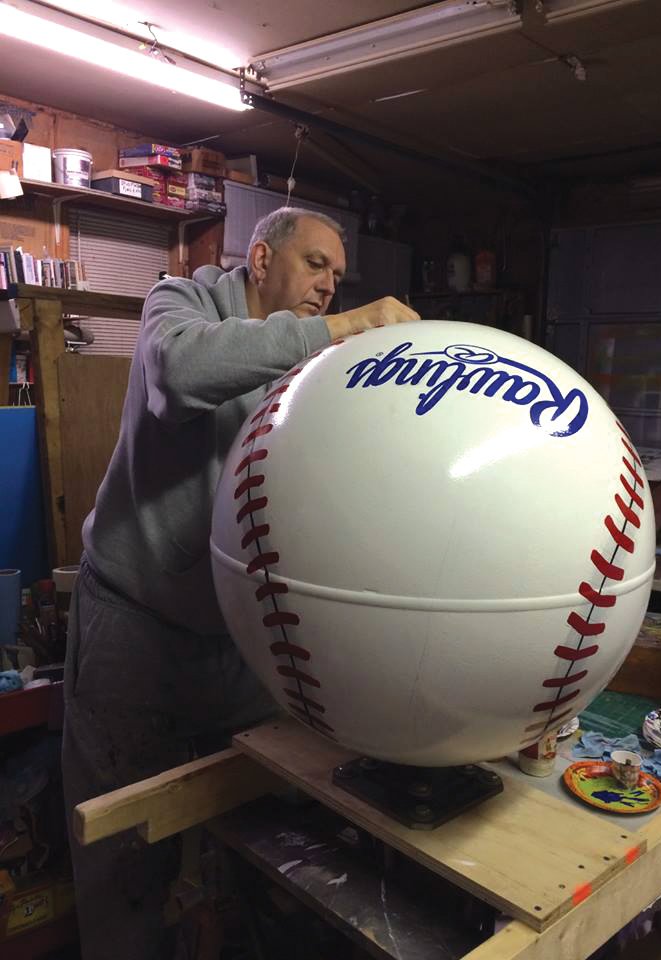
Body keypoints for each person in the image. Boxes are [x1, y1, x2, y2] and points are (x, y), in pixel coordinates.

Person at [62, 206, 419, 959]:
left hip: (241, 637)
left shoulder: (315, 365)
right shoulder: (178, 301)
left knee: (272, 839)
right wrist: (344, 328)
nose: (328, 286)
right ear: (260, 259)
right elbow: (182, 373)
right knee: (126, 852)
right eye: (317, 264)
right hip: (137, 624)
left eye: (339, 278)